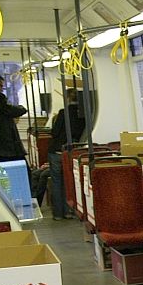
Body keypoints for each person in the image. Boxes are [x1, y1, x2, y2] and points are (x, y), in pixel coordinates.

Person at [47, 90, 86, 220]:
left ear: (67, 98)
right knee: (68, 182)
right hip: (72, 151)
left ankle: (58, 213)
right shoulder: (84, 114)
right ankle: (69, 211)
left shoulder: (64, 113)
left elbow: (55, 132)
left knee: (57, 182)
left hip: (57, 150)